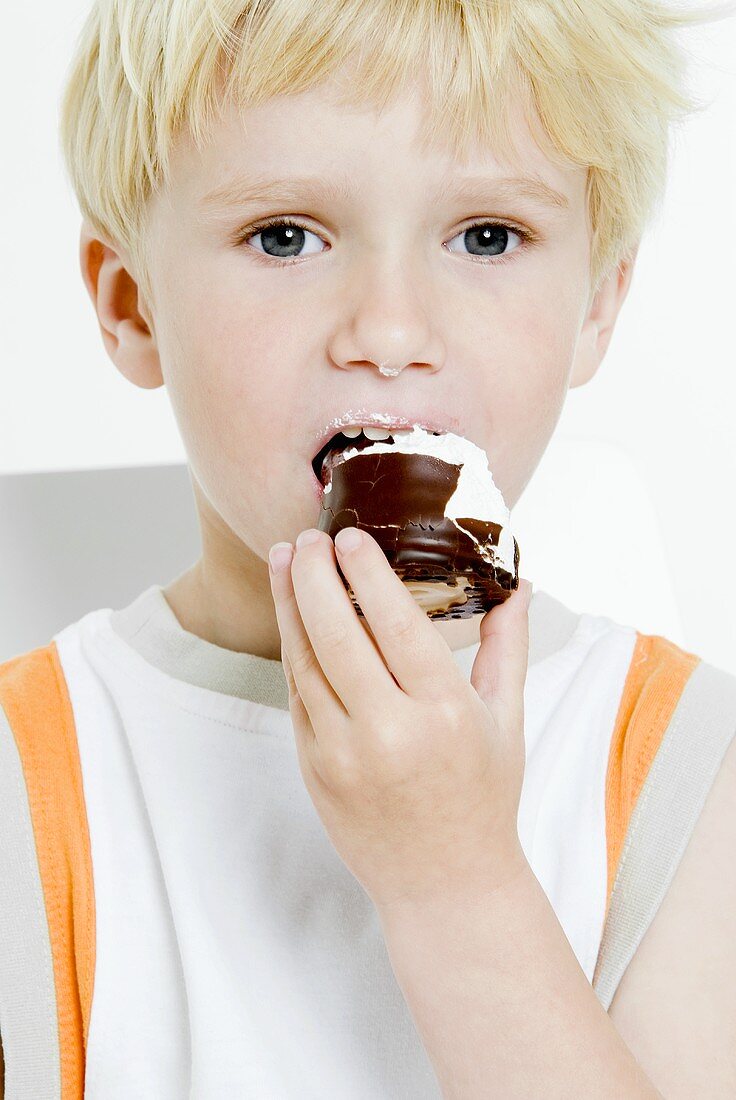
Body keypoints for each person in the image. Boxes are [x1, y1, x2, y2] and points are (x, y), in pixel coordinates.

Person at [1, 0, 735, 1096]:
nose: (390, 331)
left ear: (598, 304)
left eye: (487, 236)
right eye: (285, 235)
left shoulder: (686, 767)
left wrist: (455, 880)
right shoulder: (28, 772)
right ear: (132, 306)